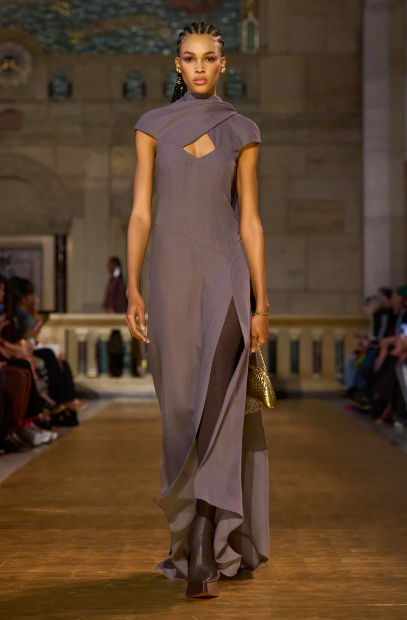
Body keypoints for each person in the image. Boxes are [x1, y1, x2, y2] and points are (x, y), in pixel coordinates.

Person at [125, 22, 269, 599]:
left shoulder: (243, 130)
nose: (200, 67)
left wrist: (261, 302)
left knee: (217, 409)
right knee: (180, 414)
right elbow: (141, 211)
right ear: (177, 65)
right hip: (169, 278)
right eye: (190, 58)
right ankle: (189, 535)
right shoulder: (151, 126)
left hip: (226, 277)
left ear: (223, 64)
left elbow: (250, 221)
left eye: (210, 58)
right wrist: (133, 288)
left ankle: (205, 545)